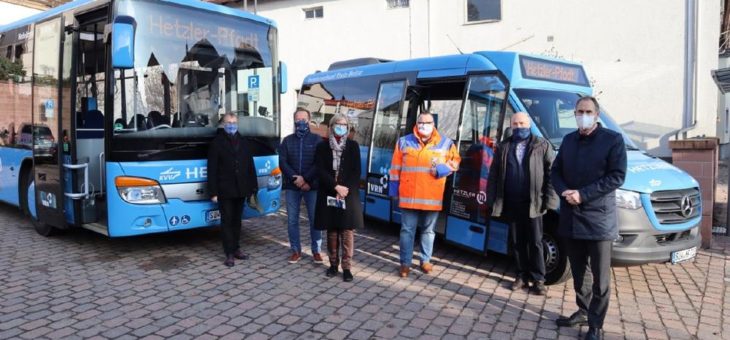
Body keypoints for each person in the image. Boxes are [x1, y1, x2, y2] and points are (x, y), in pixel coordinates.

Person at [551, 96, 627, 340]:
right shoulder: (568, 140)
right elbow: (555, 171)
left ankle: (596, 324)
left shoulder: (613, 140)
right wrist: (564, 191)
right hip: (571, 217)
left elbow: (617, 176)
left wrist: (583, 195)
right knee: (578, 271)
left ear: (597, 114)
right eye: (579, 111)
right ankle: (583, 311)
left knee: (600, 278)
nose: (583, 115)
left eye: (587, 111)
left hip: (599, 220)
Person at [486, 112, 558, 295]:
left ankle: (539, 279)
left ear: (529, 124)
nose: (519, 127)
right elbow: (494, 175)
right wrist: (491, 198)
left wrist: (549, 200)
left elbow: (552, 174)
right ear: (511, 125)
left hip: (534, 203)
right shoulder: (504, 147)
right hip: (512, 202)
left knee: (535, 241)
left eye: (522, 123)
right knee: (517, 241)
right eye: (515, 124)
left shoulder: (542, 145)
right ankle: (521, 275)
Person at [389, 111, 460, 278]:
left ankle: (425, 261)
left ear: (433, 124)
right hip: (409, 196)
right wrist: (393, 191)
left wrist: (442, 169)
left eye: (427, 122)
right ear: (416, 123)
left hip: (431, 196)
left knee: (428, 231)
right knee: (407, 231)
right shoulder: (404, 142)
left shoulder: (445, 143)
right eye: (420, 122)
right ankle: (405, 264)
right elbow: (395, 168)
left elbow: (456, 161)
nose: (423, 125)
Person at [313, 113, 363, 282]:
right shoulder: (322, 147)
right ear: (332, 126)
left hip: (348, 195)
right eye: (337, 124)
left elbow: (356, 172)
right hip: (329, 192)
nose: (340, 127)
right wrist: (335, 187)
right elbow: (320, 170)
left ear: (348, 127)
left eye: (343, 124)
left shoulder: (354, 146)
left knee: (347, 231)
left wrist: (344, 190)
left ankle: (347, 267)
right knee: (332, 230)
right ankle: (333, 264)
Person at [207, 112, 259, 267]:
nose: (232, 125)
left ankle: (237, 248)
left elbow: (250, 165)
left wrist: (253, 186)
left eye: (234, 122)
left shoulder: (243, 141)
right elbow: (212, 169)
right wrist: (213, 192)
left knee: (237, 221)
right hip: (225, 189)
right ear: (223, 124)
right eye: (229, 122)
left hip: (241, 189)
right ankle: (229, 253)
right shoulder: (217, 143)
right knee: (227, 221)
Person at [278, 108, 323, 264]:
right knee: (292, 220)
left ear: (309, 121)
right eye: (298, 119)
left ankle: (316, 251)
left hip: (311, 187)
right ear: (294, 121)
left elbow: (319, 163)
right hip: (292, 187)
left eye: (304, 119)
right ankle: (295, 250)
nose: (301, 122)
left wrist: (306, 180)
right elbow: (282, 162)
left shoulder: (317, 140)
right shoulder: (287, 141)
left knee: (314, 220)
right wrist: (295, 179)